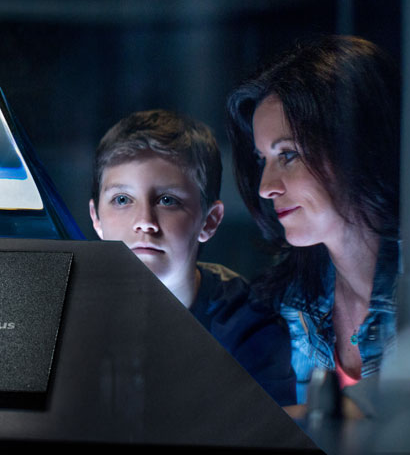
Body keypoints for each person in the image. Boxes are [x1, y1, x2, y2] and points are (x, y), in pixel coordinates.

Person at [225, 35, 401, 409]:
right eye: (263, 160)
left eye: (287, 155)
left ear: (357, 148)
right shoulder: (296, 295)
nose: (266, 188)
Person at [89, 109, 296, 406]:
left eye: (167, 200)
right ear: (96, 217)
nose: (144, 220)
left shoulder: (249, 328)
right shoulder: (67, 316)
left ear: (209, 222)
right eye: (122, 200)